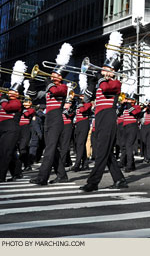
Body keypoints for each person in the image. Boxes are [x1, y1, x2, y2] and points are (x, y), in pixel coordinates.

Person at [80, 31, 128, 192]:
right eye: (104, 68)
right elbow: (86, 99)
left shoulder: (116, 83)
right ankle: (119, 179)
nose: (104, 71)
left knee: (101, 151)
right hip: (99, 117)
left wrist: (99, 79)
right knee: (106, 152)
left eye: (108, 69)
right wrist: (91, 81)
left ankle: (93, 182)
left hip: (108, 116)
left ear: (114, 71)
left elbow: (107, 88)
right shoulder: (100, 82)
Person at [29, 44, 71, 185]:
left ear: (60, 76)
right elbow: (34, 97)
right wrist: (33, 82)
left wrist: (48, 83)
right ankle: (62, 175)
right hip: (49, 118)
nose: (52, 75)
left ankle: (42, 178)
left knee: (50, 149)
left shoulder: (63, 87)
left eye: (55, 74)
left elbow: (56, 91)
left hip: (57, 119)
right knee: (53, 149)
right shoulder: (50, 87)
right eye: (52, 73)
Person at [0, 61, 26, 182]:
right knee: (7, 152)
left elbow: (7, 107)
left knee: (6, 153)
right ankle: (17, 172)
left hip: (11, 130)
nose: (10, 92)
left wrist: (3, 99)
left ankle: (1, 176)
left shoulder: (17, 102)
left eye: (13, 92)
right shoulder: (4, 98)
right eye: (10, 91)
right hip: (3, 128)